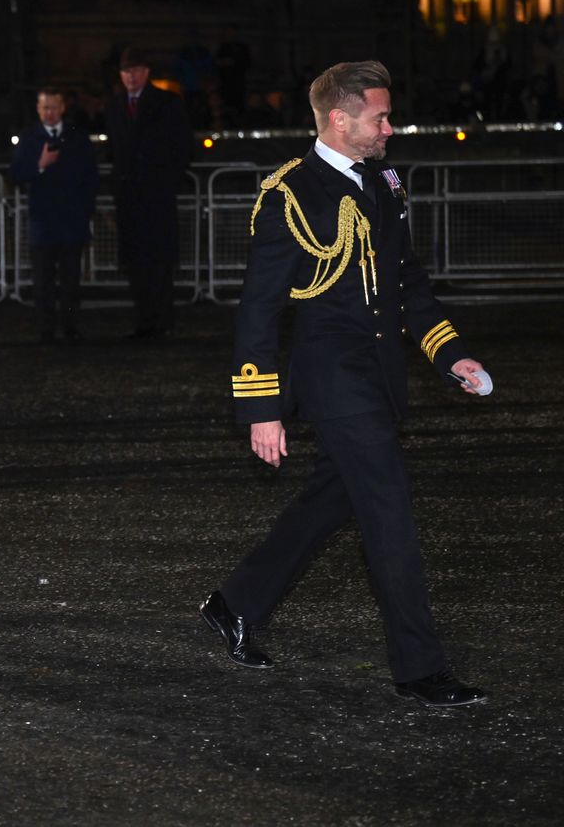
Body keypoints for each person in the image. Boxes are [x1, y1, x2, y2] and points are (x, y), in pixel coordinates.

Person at [201, 60, 489, 708]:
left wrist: (451, 356)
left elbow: (407, 284)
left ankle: (234, 602)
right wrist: (261, 408)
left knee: (331, 500)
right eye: (380, 117)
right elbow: (259, 309)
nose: (390, 127)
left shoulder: (384, 182)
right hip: (332, 377)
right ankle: (420, 666)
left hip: (378, 373)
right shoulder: (290, 193)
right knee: (389, 512)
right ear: (339, 118)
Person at [104, 47, 190, 339]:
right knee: (136, 261)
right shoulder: (115, 106)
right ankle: (144, 320)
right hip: (129, 196)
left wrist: (166, 181)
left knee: (160, 260)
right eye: (126, 72)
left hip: (157, 195)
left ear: (146, 72)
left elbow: (181, 148)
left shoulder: (167, 102)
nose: (130, 76)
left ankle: (162, 320)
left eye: (135, 71)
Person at [10, 87, 99, 343]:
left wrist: (85, 211)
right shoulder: (29, 138)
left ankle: (71, 327)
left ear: (62, 108)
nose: (49, 112)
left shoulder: (77, 138)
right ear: (38, 109)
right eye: (44, 107)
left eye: (54, 107)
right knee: (43, 281)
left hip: (73, 221)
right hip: (43, 222)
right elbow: (15, 173)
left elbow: (91, 178)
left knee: (71, 280)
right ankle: (46, 329)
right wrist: (39, 166)